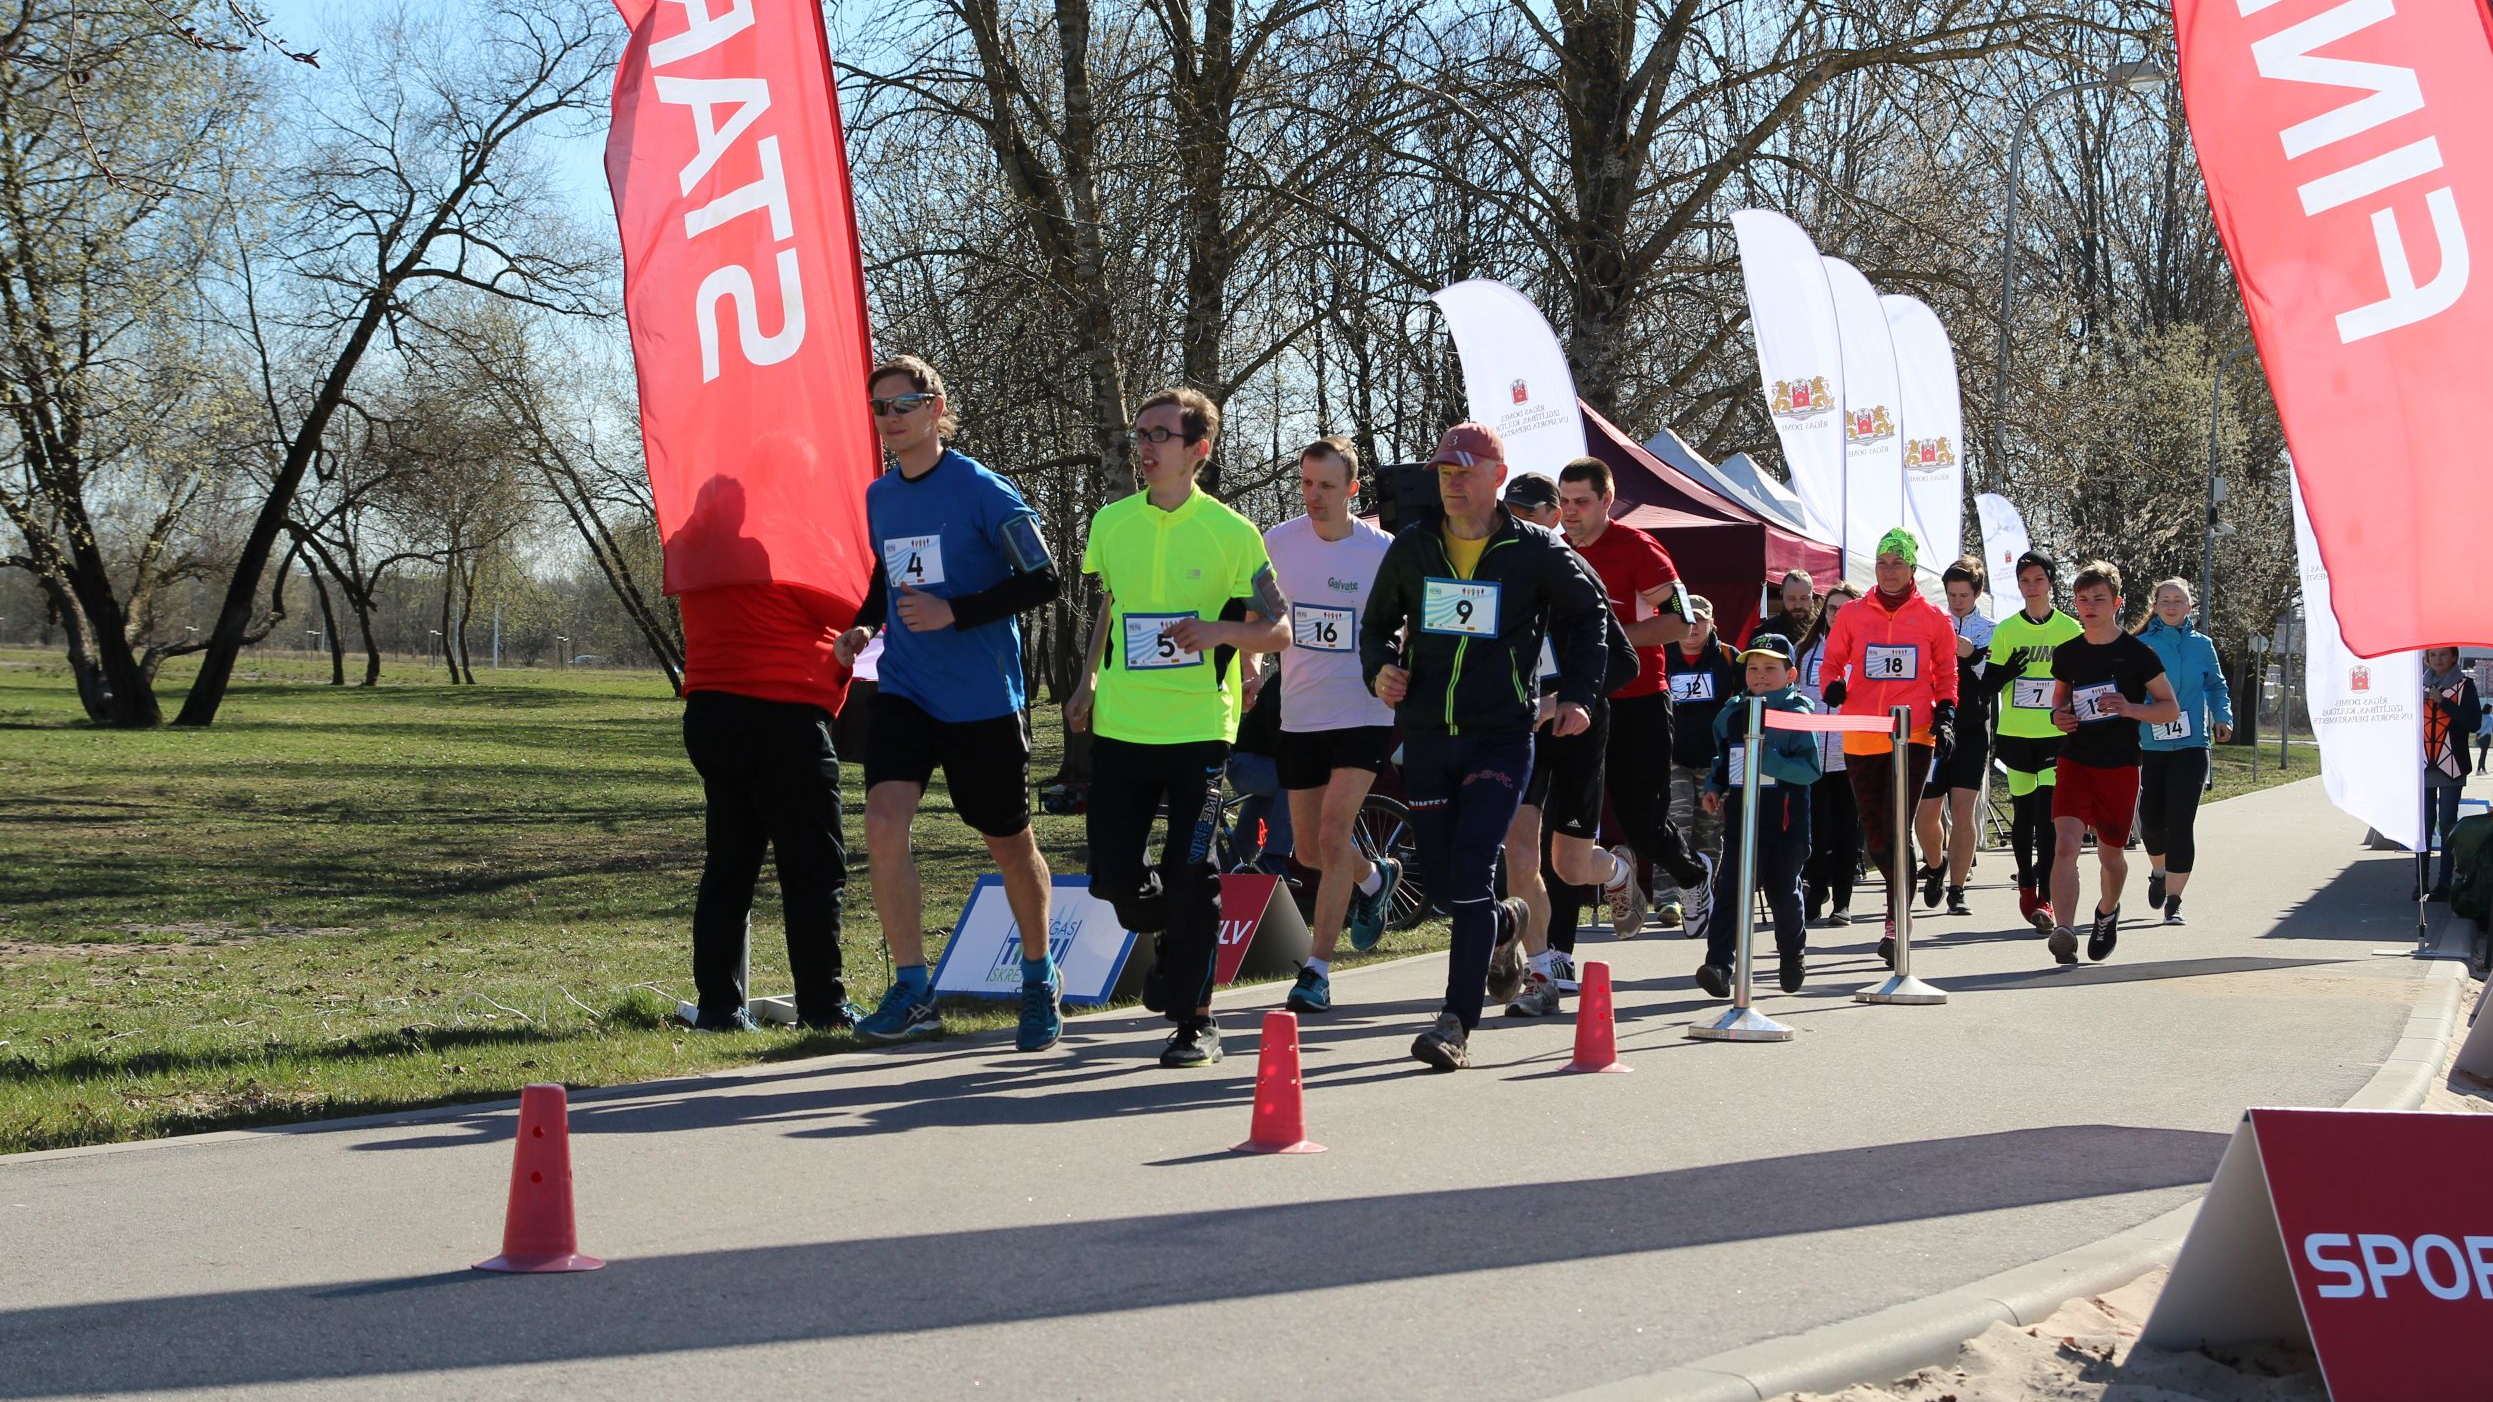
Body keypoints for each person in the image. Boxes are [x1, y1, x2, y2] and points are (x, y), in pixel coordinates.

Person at [1361, 424, 1610, 1071]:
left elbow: (1591, 617)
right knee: (1446, 888)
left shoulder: (1533, 551)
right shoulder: (1414, 547)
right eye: (1443, 472)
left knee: (1470, 871)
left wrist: (1578, 695)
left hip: (1501, 737)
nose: (1451, 482)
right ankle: (1503, 923)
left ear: (1497, 476)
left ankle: (1454, 1022)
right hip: (1425, 736)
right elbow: (1375, 626)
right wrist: (1378, 669)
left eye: (1464, 471)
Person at [839, 357, 1066, 1051]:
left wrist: (956, 612)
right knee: (883, 822)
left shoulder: (983, 491)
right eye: (880, 408)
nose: (892, 417)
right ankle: (913, 989)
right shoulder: (880, 495)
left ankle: (1037, 974)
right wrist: (863, 623)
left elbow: (1043, 580)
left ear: (937, 408)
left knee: (1006, 839)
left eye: (905, 403)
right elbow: (888, 573)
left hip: (980, 699)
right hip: (906, 689)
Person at [1066, 388, 1287, 1067]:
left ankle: (1196, 1021)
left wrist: (1221, 634)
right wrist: (1086, 680)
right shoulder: (1111, 523)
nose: (1145, 446)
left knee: (1191, 874)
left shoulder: (1231, 533)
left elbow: (1278, 628)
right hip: (1125, 729)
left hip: (1199, 729)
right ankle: (1170, 937)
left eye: (1161, 434)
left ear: (1199, 450)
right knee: (1111, 878)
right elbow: (1110, 605)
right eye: (1140, 433)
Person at [676, 475, 859, 1034]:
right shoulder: (774, 549)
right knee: (813, 869)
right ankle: (823, 1008)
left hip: (712, 714)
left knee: (729, 867)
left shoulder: (690, 552)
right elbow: (848, 600)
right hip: (782, 717)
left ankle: (718, 1007)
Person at [1263, 436, 1403, 1014]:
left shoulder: (1383, 551)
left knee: (1330, 833)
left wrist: (1398, 666)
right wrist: (1249, 669)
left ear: (1352, 489)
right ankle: (1374, 879)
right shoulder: (1277, 543)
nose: (1313, 496)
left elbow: (1412, 622)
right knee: (1309, 849)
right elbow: (1260, 617)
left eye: (1325, 485)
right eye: (1305, 483)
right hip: (1301, 712)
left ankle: (1317, 969)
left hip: (1365, 707)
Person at [1498, 471, 1641, 1018]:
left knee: (1571, 865)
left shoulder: (1574, 572)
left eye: (1527, 515)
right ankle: (1540, 976)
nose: (1515, 527)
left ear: (1553, 518)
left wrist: (1566, 698)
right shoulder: (1497, 576)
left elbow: (1624, 663)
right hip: (1522, 733)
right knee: (1520, 851)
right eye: (1509, 515)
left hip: (1579, 727)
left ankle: (1618, 872)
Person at [1554, 457, 1713, 942]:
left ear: (1607, 500)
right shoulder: (1555, 553)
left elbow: (1681, 623)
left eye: (1581, 501)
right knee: (1562, 827)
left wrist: (1608, 637)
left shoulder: (1639, 548)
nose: (1570, 512)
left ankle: (1693, 876)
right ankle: (1558, 957)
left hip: (1640, 701)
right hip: (1579, 704)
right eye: (1563, 502)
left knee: (1643, 825)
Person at [1819, 528, 1958, 967]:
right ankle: (1902, 897)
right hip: (1861, 731)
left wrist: (1947, 714)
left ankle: (1896, 921)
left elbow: (1946, 672)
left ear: (1912, 568)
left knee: (1899, 827)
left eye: (1897, 563)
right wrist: (1833, 687)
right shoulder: (1854, 614)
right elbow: (1831, 661)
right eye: (1882, 563)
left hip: (1913, 734)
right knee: (1877, 835)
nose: (1889, 571)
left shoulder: (1934, 618)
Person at [2046, 560, 2181, 964]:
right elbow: (2059, 701)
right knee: (2065, 843)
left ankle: (2107, 912)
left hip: (2120, 765)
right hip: (2075, 761)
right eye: (2082, 599)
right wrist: (2059, 716)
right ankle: (2065, 929)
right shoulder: (2068, 652)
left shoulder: (2139, 654)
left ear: (2116, 603)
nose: (2089, 606)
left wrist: (2129, 707)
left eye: (2098, 599)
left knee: (2110, 856)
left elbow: (2170, 709)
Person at [1694, 633, 1822, 996]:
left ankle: (1792, 955)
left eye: (1770, 667)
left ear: (1791, 674)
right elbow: (1723, 755)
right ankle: (1719, 965)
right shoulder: (1732, 712)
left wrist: (1769, 760)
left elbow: (1810, 770)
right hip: (1740, 822)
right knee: (1731, 895)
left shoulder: (1797, 715)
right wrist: (1714, 787)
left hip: (1785, 825)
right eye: (1753, 668)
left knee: (1783, 895)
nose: (1760, 675)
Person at [1986, 551, 2085, 934]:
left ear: (2050, 582)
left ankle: (2045, 896)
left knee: (2048, 818)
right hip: (2016, 736)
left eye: (2038, 580)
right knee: (2024, 818)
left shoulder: (2070, 629)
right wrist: (2007, 670)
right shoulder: (2007, 630)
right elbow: (1985, 689)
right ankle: (2026, 884)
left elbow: (2083, 681)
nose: (2032, 587)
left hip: (2056, 736)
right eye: (2025, 580)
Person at [2136, 579, 2233, 926]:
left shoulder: (2202, 645)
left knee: (2181, 821)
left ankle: (2174, 901)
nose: (2172, 606)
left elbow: (2216, 686)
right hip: (2152, 744)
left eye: (2179, 601)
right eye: (2166, 601)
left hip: (2193, 746)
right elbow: (2129, 689)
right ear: (2156, 605)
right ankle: (2159, 871)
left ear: (2190, 607)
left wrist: (2223, 717)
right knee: (2151, 821)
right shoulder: (2141, 645)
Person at [1912, 556, 1996, 917]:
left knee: (1963, 811)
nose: (1958, 601)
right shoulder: (1933, 621)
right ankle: (1935, 863)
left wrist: (1973, 653)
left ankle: (1958, 889)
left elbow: (1994, 679)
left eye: (1964, 594)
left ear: (1977, 593)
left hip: (1972, 730)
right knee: (1925, 815)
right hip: (1934, 727)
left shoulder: (1993, 628)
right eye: (1952, 594)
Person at [1662, 596, 1743, 926]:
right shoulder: (1662, 654)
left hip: (1715, 759)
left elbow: (1743, 703)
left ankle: (1701, 893)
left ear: (1712, 623)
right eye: (1686, 619)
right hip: (1672, 756)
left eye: (1700, 619)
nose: (1692, 626)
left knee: (1709, 828)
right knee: (1674, 823)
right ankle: (1669, 899)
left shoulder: (1728, 657)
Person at [1798, 582, 1861, 924]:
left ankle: (1843, 901)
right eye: (1832, 608)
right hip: (1813, 756)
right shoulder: (1805, 651)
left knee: (1846, 831)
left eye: (1845, 608)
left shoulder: (1866, 649)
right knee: (1817, 832)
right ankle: (1816, 891)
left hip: (1851, 755)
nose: (1838, 614)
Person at [2422, 647, 2482, 900]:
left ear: (2454, 657)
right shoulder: (2415, 685)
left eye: (2444, 654)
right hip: (2422, 765)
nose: (2438, 659)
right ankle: (2421, 884)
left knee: (2447, 824)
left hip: (2451, 765)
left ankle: (2443, 884)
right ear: (2426, 659)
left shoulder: (2465, 685)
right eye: (2433, 655)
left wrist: (2443, 702)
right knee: (2422, 827)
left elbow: (2474, 723)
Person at [1753, 569, 1817, 650]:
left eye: (1804, 598)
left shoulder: (1824, 630)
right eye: (1791, 599)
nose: (1797, 605)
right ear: (1782, 596)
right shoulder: (1764, 632)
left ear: (1812, 597)